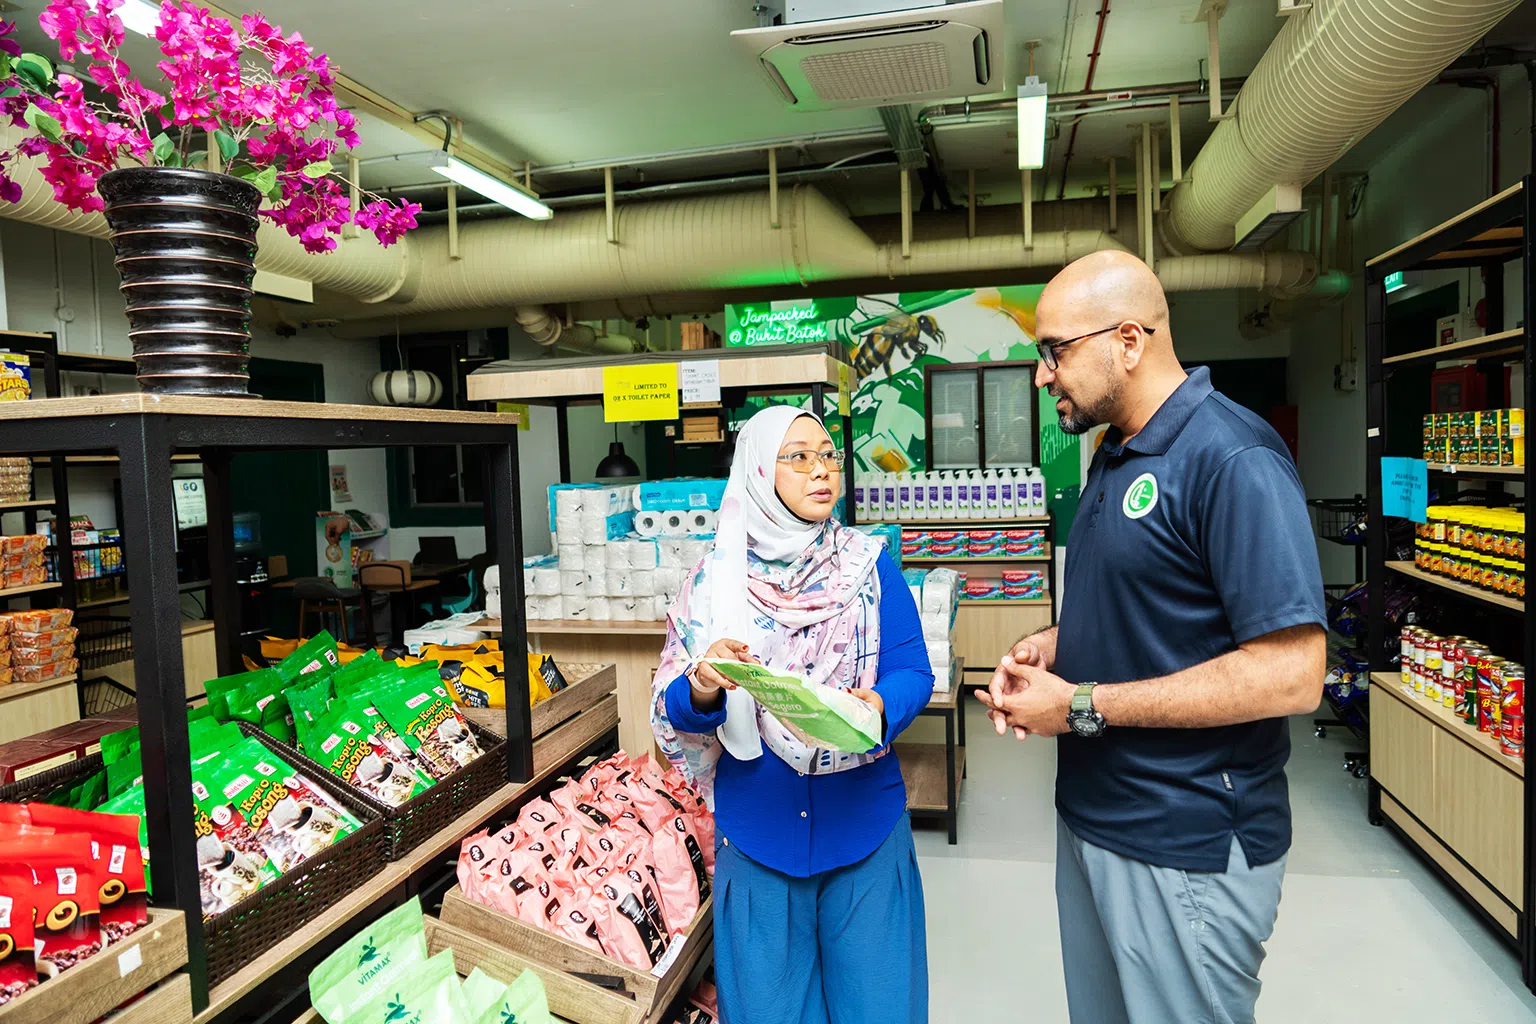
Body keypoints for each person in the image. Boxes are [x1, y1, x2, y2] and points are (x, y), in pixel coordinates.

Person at [978, 250, 1326, 1024]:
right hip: (1095, 819)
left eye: (1054, 351)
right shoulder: (1114, 453)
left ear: (1128, 341)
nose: (1042, 376)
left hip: (1185, 841)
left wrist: (1082, 706)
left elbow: (1294, 674)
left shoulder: (1233, 457)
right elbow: (1160, 607)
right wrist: (1056, 646)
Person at [651, 405, 933, 1024]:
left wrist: (878, 706)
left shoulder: (868, 563)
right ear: (757, 470)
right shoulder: (712, 580)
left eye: (828, 455)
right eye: (797, 456)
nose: (820, 470)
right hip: (758, 838)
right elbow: (672, 705)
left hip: (865, 830)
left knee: (880, 1007)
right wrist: (703, 687)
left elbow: (914, 670)